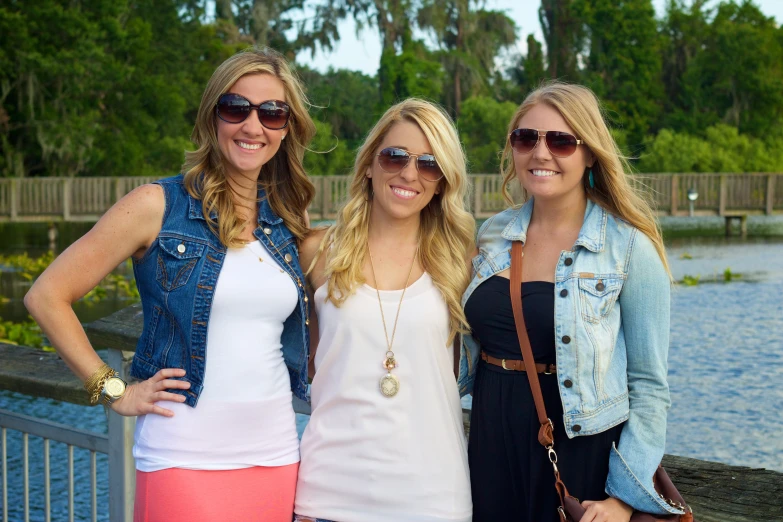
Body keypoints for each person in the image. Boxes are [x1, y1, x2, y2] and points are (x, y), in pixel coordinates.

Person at [24, 47, 315, 522]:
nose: (252, 125)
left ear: (287, 128)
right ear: (212, 117)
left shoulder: (287, 216)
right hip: (182, 455)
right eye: (235, 108)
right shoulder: (156, 205)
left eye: (272, 113)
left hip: (276, 453)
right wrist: (114, 389)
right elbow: (46, 295)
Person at [459, 82, 687, 522]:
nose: (540, 153)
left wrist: (624, 499)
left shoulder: (628, 249)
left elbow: (650, 387)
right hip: (490, 439)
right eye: (526, 138)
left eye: (561, 141)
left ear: (590, 154)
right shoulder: (489, 236)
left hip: (579, 451)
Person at [293, 99, 475, 522]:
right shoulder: (317, 253)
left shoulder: (461, 263)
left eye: (429, 164)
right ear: (370, 164)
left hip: (434, 497)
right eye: (395, 156)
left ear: (442, 182)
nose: (409, 174)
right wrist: (114, 388)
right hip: (328, 495)